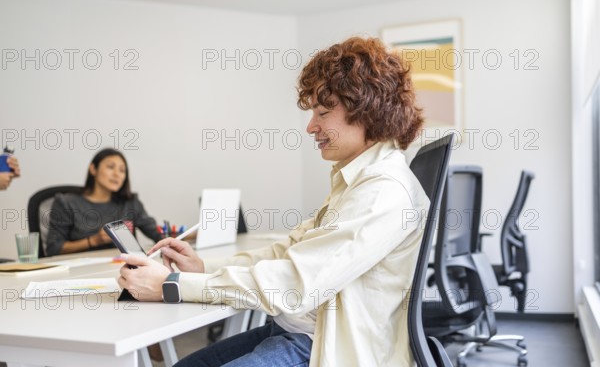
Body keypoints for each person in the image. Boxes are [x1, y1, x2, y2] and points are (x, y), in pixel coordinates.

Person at [118, 37, 430, 366]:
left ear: (367, 111)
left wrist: (173, 285)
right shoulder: (357, 178)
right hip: (300, 330)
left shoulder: (381, 191)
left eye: (323, 112)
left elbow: (294, 283)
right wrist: (203, 268)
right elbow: (288, 252)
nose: (311, 126)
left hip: (322, 346)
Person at [46, 148, 162, 256]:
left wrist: (176, 239)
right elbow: (53, 248)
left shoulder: (130, 202)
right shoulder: (66, 202)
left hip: (121, 267)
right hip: (79, 272)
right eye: (111, 167)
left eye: (122, 170)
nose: (117, 174)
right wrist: (94, 240)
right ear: (93, 169)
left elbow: (156, 233)